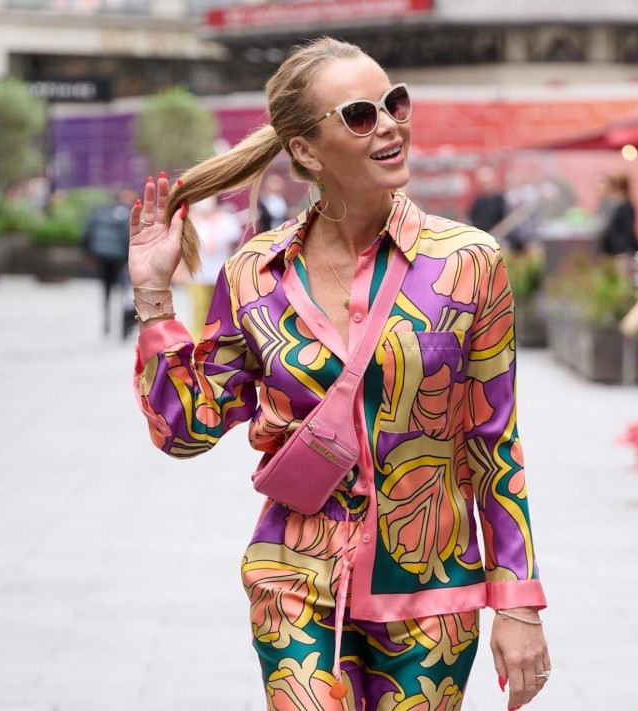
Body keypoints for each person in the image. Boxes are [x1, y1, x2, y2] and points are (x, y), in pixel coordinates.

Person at [128, 38, 549, 710]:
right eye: (359, 114)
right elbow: (186, 428)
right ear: (306, 150)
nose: (389, 125)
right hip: (294, 581)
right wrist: (154, 297)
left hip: (432, 594)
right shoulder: (254, 275)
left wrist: (518, 601)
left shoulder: (470, 262)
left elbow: (494, 440)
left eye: (395, 104)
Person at [176, 195, 242, 337]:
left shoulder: (226, 219)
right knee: (200, 312)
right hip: (197, 275)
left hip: (221, 273)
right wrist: (180, 271)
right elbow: (184, 248)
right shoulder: (191, 220)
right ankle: (197, 345)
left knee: (223, 313)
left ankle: (218, 344)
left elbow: (233, 243)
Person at [83, 188, 135, 336]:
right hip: (118, 257)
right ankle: (124, 325)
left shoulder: (100, 211)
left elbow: (88, 230)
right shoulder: (125, 212)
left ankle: (106, 320)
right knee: (124, 289)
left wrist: (87, 251)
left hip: (101, 255)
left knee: (106, 288)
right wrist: (129, 257)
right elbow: (128, 235)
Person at [598, 173, 638, 255]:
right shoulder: (621, 204)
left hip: (620, 248)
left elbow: (626, 229)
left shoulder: (619, 205)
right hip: (619, 246)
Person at [468, 165, 506, 233]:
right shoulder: (479, 200)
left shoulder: (499, 200)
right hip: (482, 233)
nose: (484, 187)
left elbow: (503, 218)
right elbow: (473, 216)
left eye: (485, 184)